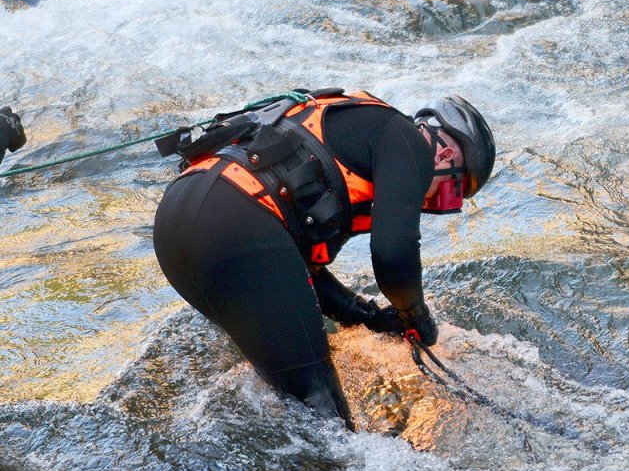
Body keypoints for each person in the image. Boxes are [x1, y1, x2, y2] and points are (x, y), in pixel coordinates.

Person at [152, 89, 495, 430]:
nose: (433, 204)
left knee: (294, 407)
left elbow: (295, 273)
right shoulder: (410, 144)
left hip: (176, 223)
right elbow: (394, 257)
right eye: (451, 193)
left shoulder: (354, 132)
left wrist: (369, 316)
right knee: (326, 422)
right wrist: (416, 316)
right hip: (235, 222)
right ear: (446, 154)